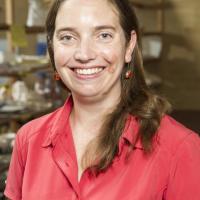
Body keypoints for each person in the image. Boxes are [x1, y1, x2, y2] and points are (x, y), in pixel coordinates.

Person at [4, 0, 200, 199]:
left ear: (129, 46)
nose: (84, 54)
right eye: (68, 37)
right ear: (52, 47)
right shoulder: (28, 140)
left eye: (104, 35)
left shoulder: (179, 148)